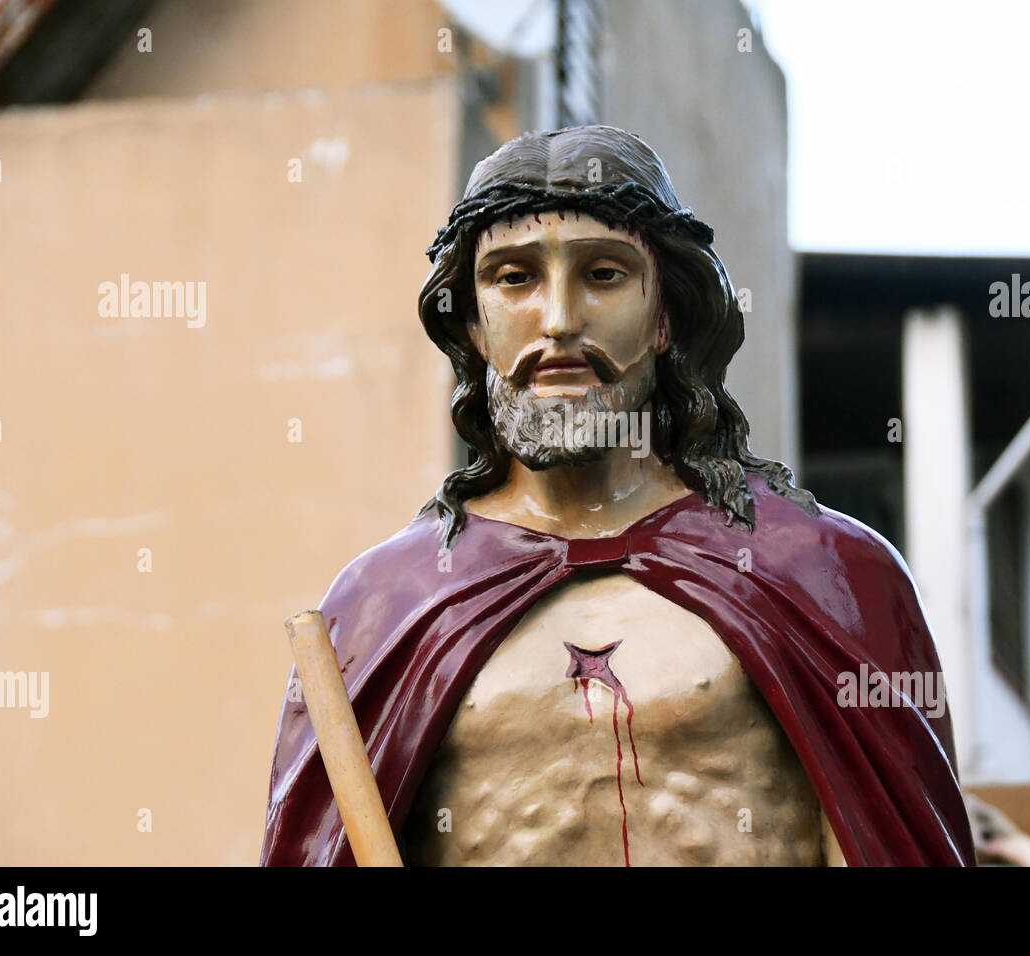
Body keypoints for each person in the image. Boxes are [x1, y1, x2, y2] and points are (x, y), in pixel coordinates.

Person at [260, 125, 975, 866]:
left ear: (667, 314)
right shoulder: (384, 606)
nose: (560, 321)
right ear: (471, 325)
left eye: (603, 274)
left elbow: (892, 844)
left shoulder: (826, 573)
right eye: (513, 278)